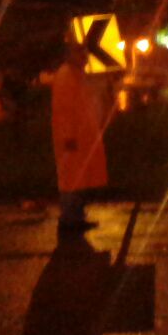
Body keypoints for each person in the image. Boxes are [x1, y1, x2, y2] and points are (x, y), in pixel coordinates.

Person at [51, 43, 107, 231]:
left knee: (79, 179)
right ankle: (69, 219)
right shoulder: (67, 76)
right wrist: (68, 136)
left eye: (84, 53)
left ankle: (76, 217)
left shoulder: (76, 75)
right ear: (69, 55)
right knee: (72, 180)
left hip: (81, 138)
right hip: (73, 139)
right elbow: (63, 110)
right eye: (80, 53)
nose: (84, 57)